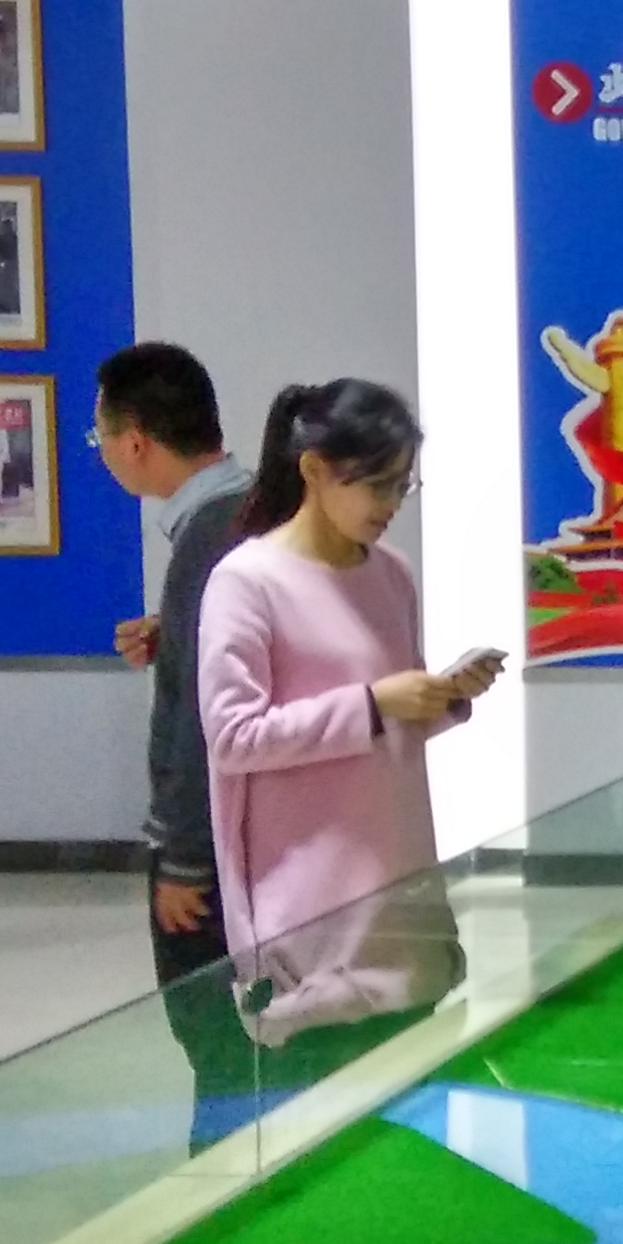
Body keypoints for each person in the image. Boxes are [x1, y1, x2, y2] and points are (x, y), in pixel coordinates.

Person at [196, 379, 500, 1051]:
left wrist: (444, 697)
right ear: (313, 470)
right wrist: (372, 703)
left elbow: (388, 724)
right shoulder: (247, 581)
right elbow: (234, 738)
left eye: (403, 487)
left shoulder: (392, 575)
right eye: (377, 485)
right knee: (322, 1090)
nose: (390, 505)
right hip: (308, 903)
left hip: (401, 890)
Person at [90, 342, 251, 1138]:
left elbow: (199, 711)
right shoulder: (250, 508)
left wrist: (183, 859)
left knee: (214, 1034)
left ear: (135, 442)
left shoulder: (210, 534)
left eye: (98, 437)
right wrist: (174, 629)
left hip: (213, 846)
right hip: (256, 829)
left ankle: (226, 1178)